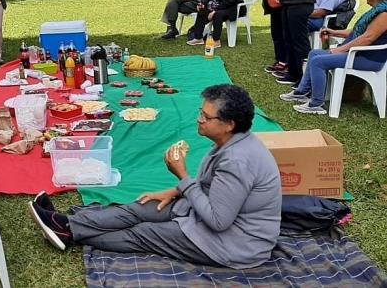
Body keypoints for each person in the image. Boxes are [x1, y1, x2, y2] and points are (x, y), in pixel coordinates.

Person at [29, 84, 281, 269]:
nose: (198, 119)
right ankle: (66, 223)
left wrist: (182, 175)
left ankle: (68, 233)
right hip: (204, 212)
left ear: (229, 124)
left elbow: (218, 221)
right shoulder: (231, 143)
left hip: (234, 243)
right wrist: (174, 191)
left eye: (206, 116)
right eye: (200, 112)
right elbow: (208, 187)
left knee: (144, 232)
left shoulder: (238, 160)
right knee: (142, 207)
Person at [280, 0, 387, 114]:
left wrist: (339, 50)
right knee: (314, 54)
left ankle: (316, 104)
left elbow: (367, 38)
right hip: (357, 53)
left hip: (368, 58)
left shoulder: (384, 15)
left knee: (319, 62)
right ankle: (302, 92)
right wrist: (333, 32)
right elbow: (356, 32)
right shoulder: (376, 11)